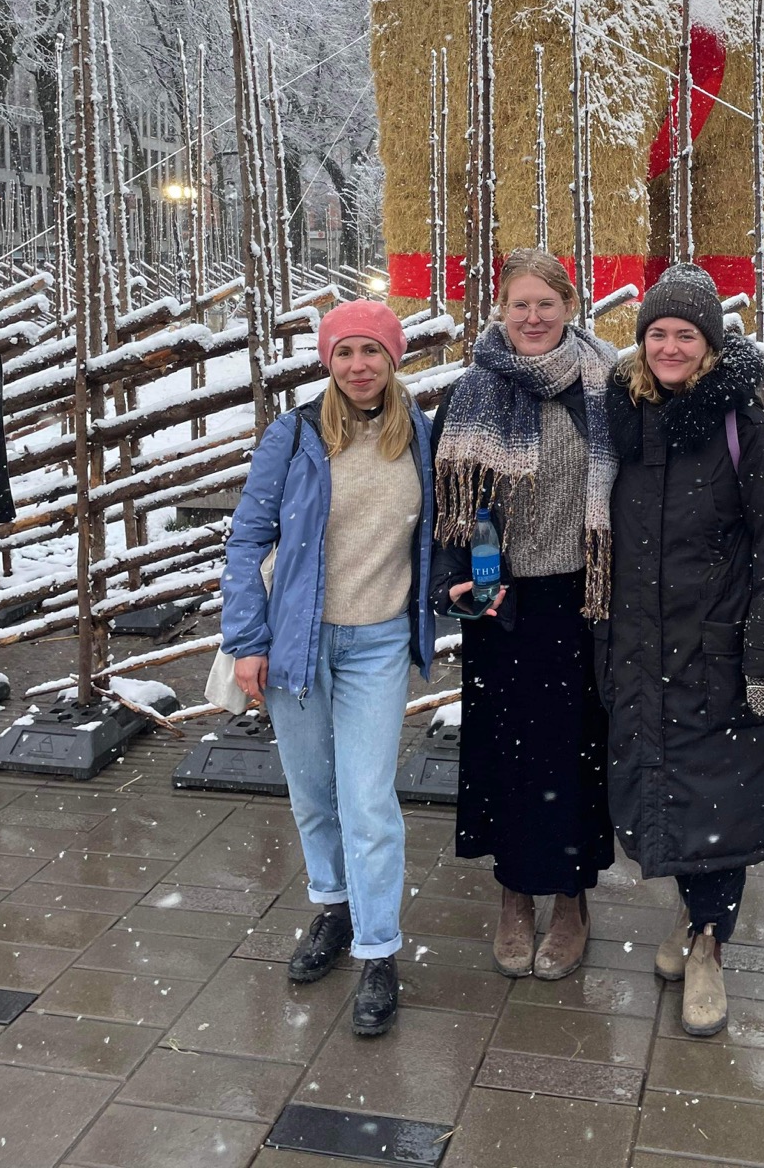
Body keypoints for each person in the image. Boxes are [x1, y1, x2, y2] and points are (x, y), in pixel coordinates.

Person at [221, 299, 435, 1038]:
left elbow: (446, 532)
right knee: (313, 792)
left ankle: (379, 950)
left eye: (372, 352)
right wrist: (247, 639)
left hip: (376, 643)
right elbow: (247, 540)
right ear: (327, 361)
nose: (359, 366)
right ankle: (335, 911)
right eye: (345, 353)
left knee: (368, 799)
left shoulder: (422, 439)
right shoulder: (296, 435)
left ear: (394, 358)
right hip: (297, 642)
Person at [600, 263, 764, 1036]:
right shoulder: (626, 418)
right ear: (642, 340)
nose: (671, 346)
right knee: (671, 789)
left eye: (686, 334)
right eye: (658, 333)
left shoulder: (740, 428)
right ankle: (689, 923)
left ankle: (711, 946)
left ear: (711, 345)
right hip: (641, 649)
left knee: (721, 800)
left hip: (717, 652)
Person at [431, 248, 618, 980]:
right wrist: (457, 579)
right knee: (505, 756)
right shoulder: (471, 392)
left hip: (585, 604)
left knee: (577, 757)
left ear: (570, 306)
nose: (532, 317)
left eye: (546, 303)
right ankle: (514, 893)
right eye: (519, 304)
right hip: (502, 607)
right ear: (500, 311)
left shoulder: (607, 386)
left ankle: (571, 900)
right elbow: (445, 506)